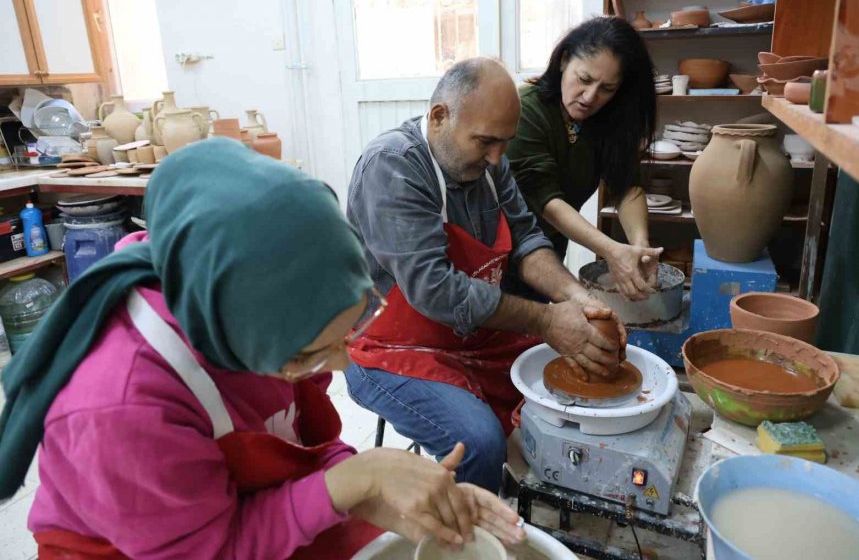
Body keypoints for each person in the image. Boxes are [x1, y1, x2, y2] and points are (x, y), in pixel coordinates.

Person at [0, 140, 526, 559]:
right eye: (311, 356)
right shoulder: (120, 408)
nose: (342, 364)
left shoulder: (262, 319)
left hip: (237, 513)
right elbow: (211, 549)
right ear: (238, 338)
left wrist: (385, 495)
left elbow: (302, 443)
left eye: (351, 330)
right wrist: (357, 480)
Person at [345, 57, 626, 495]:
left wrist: (576, 298)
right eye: (485, 142)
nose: (497, 157)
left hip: (465, 335)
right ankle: (476, 535)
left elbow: (528, 242)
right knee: (478, 442)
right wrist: (547, 321)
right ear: (440, 116)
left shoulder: (490, 164)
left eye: (505, 143)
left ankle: (535, 498)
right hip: (385, 347)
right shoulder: (394, 166)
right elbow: (434, 290)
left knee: (572, 369)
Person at [505, 16, 662, 302]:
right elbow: (547, 203)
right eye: (585, 79)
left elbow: (626, 185)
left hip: (550, 252)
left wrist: (640, 247)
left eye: (607, 89)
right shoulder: (527, 109)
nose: (590, 97)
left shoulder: (606, 119)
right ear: (564, 60)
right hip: (502, 253)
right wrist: (612, 251)